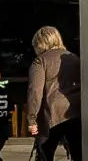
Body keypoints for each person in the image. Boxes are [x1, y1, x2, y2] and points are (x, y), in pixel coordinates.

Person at [25, 25, 82, 161]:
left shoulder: (40, 61)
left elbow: (35, 91)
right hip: (75, 110)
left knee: (45, 153)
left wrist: (31, 119)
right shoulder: (73, 57)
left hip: (53, 114)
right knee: (78, 153)